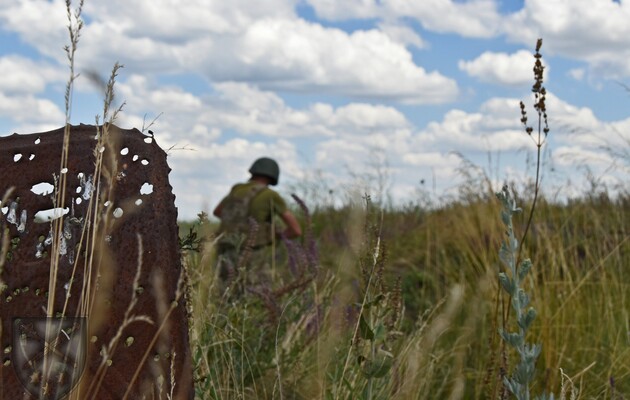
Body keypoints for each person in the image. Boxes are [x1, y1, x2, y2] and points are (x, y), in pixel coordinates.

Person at [213, 157, 301, 294]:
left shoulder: (237, 189)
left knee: (226, 293)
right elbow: (296, 230)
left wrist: (235, 225)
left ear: (253, 172)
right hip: (253, 254)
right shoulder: (270, 195)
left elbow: (218, 212)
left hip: (226, 249)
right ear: (273, 176)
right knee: (256, 295)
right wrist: (275, 235)